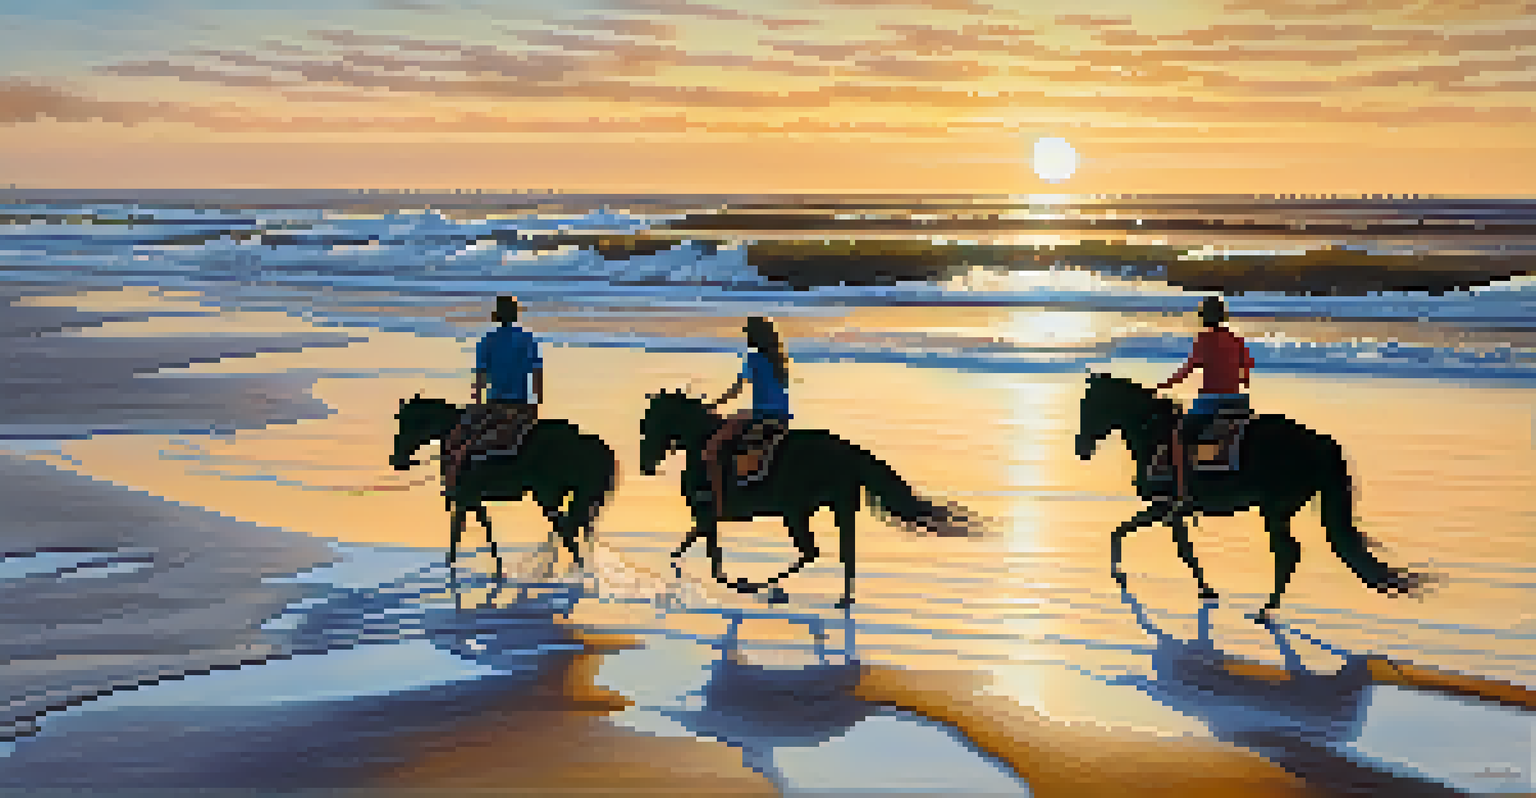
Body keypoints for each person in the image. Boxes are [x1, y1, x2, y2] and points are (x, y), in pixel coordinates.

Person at [1157, 296, 1254, 505]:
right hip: (1238, 401)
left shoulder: (1204, 339)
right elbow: (1246, 370)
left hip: (1212, 401)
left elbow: (1188, 369)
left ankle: (1182, 495)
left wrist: (1165, 385)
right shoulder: (1236, 339)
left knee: (1179, 437)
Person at [444, 295, 543, 490]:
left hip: (495, 404)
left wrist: (477, 404)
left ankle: (455, 485)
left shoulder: (488, 340)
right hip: (521, 404)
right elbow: (537, 373)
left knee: (457, 440)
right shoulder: (527, 339)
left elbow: (480, 377)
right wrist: (537, 402)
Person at [702, 316, 792, 514]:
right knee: (739, 417)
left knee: (712, 448)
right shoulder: (778, 359)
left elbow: (737, 389)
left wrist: (714, 404)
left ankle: (718, 502)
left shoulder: (754, 358)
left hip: (763, 414)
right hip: (783, 416)